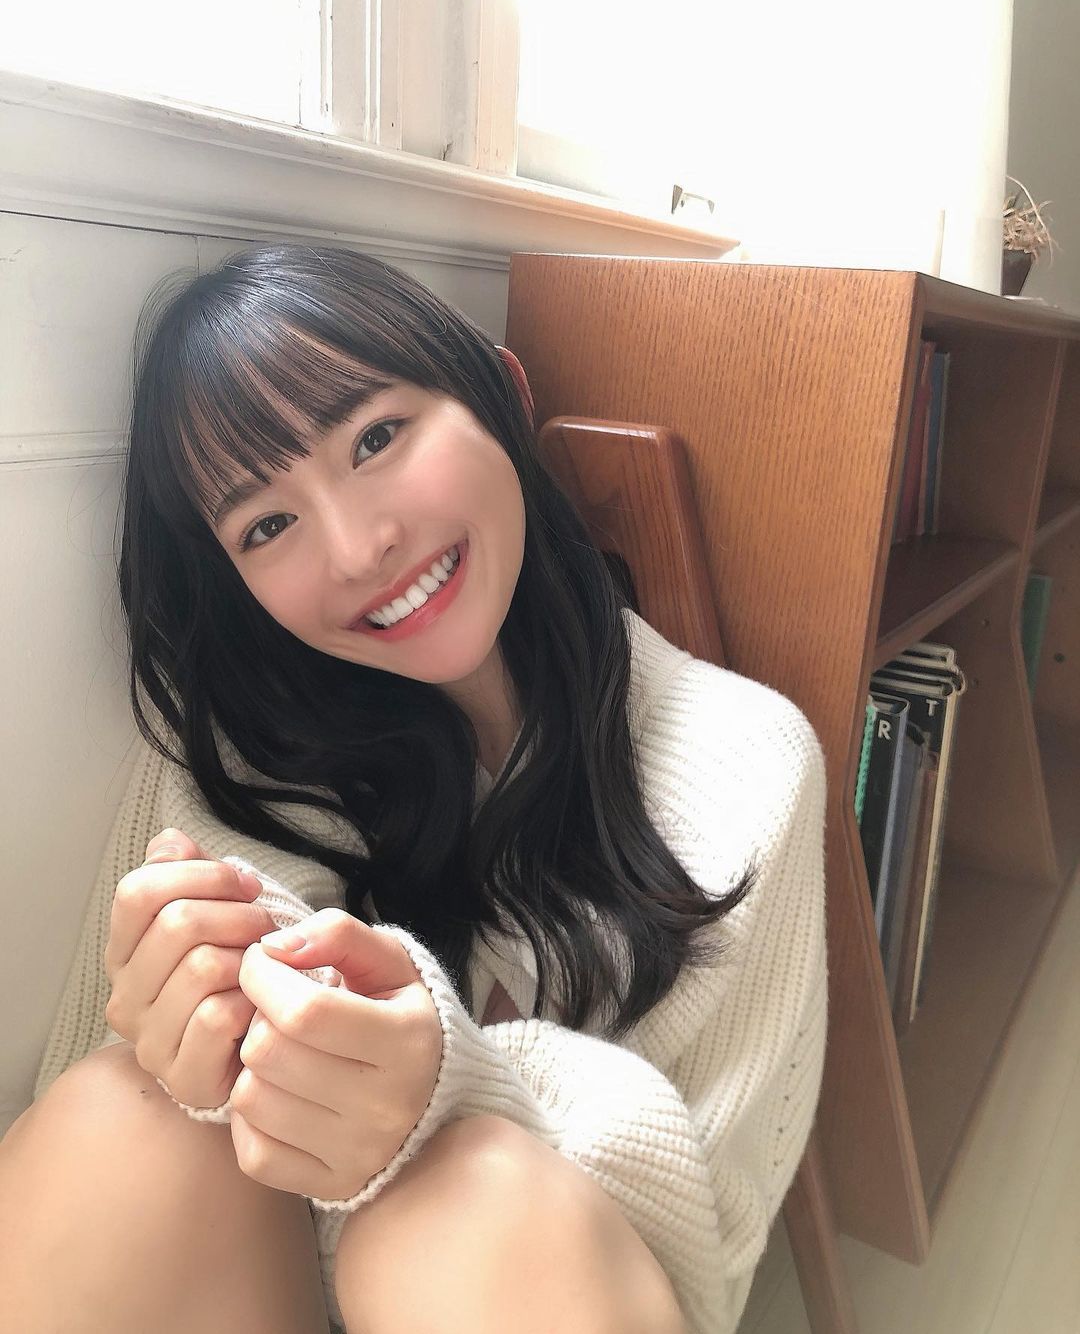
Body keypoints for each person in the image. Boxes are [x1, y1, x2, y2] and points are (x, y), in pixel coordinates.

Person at [0, 243, 829, 1334]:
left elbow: (703, 1253)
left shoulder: (746, 764)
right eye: (267, 525)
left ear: (502, 393)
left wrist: (444, 1096)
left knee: (475, 1201)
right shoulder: (234, 763)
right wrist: (191, 1038)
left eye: (376, 438)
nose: (358, 549)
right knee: (125, 1115)